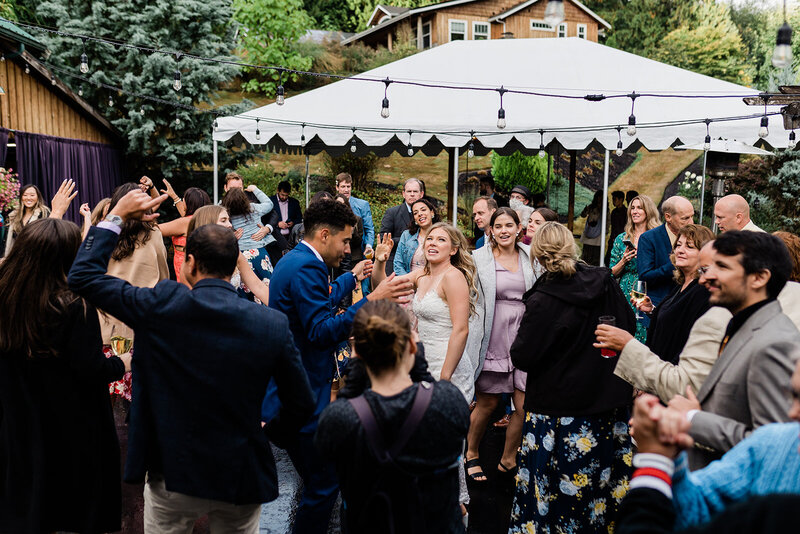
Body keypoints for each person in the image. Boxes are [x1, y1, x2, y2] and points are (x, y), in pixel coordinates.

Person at [68, 189, 316, 532]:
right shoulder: (268, 323)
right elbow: (301, 402)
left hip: (172, 471)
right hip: (240, 470)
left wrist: (115, 217)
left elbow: (82, 277)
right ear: (234, 266)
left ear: (189, 264)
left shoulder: (160, 306)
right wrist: (267, 432)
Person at [262, 198, 412, 534]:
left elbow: (317, 300)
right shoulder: (307, 267)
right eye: (345, 241)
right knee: (326, 483)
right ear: (325, 235)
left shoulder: (296, 260)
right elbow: (319, 330)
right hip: (301, 396)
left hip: (289, 392)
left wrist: (351, 279)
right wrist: (374, 297)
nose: (348, 250)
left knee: (322, 478)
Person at [0, 218, 130, 534]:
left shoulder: (6, 296)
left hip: (17, 415)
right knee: (73, 510)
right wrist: (123, 362)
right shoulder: (72, 305)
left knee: (28, 502)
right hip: (70, 423)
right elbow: (90, 369)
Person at [508, 221, 636, 534]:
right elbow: (628, 326)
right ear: (571, 246)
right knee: (599, 488)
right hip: (605, 404)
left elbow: (522, 356)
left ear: (536, 256)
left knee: (555, 491)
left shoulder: (543, 300)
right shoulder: (604, 282)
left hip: (558, 413)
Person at [314, 301, 470, 534]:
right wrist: (421, 367)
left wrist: (355, 369)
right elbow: (434, 393)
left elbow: (327, 451)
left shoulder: (340, 418)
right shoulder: (449, 402)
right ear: (411, 346)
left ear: (358, 354)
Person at [667, 231, 800, 470]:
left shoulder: (774, 344)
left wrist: (693, 419)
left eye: (722, 267)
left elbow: (773, 449)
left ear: (759, 278)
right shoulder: (744, 326)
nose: (704, 278)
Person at [615, 385, 800, 534]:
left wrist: (654, 462)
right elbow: (701, 502)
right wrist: (672, 461)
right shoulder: (772, 443)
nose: (792, 413)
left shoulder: (778, 509)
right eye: (795, 395)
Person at [399, 222, 479, 511]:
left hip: (450, 366)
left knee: (445, 438)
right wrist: (381, 260)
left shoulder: (453, 277)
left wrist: (445, 377)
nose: (432, 243)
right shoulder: (422, 276)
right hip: (423, 364)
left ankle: (456, 506)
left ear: (453, 249)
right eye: (429, 238)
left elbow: (461, 330)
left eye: (441, 240)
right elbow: (388, 284)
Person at [466, 208, 536, 482]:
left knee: (523, 404)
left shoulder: (531, 256)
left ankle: (508, 458)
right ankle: (471, 452)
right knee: (488, 401)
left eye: (510, 225)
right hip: (492, 334)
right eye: (499, 226)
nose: (504, 230)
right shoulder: (478, 258)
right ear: (491, 230)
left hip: (524, 335)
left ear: (520, 228)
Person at [636, 225, 715, 364]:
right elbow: (674, 322)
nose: (680, 250)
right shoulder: (681, 285)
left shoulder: (702, 291)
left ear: (705, 254)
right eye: (678, 245)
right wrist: (652, 310)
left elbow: (688, 341)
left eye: (689, 246)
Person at [187, 205, 270, 304]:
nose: (230, 224)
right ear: (209, 223)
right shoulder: (193, 257)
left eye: (229, 220)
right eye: (223, 220)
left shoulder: (235, 253)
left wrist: (281, 312)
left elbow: (258, 286)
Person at [610, 194, 661, 341]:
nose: (635, 211)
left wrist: (645, 259)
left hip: (649, 292)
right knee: (625, 332)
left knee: (646, 333)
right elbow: (611, 273)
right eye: (632, 208)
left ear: (648, 211)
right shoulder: (622, 239)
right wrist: (624, 260)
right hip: (625, 293)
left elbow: (666, 266)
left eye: (639, 208)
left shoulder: (656, 237)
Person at [637, 196, 695, 307]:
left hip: (688, 303)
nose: (691, 222)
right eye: (685, 218)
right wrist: (675, 264)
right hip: (657, 306)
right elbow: (645, 276)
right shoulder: (649, 238)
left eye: (692, 216)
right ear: (668, 217)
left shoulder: (695, 236)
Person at [222, 185, 276, 285]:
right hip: (259, 252)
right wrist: (255, 189)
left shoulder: (225, 214)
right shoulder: (253, 208)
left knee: (244, 288)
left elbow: (215, 210)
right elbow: (269, 204)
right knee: (265, 286)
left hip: (239, 255)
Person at [157, 186, 211, 282]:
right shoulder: (206, 220)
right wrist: (174, 196)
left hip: (185, 269)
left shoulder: (185, 222)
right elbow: (186, 213)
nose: (182, 201)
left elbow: (154, 230)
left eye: (184, 199)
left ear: (188, 203)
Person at [380, 178, 423, 274]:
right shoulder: (392, 213)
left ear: (421, 194)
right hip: (394, 264)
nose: (412, 194)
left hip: (420, 265)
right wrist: (406, 240)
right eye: (409, 191)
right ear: (403, 194)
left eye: (415, 191)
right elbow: (384, 238)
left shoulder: (426, 214)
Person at [393, 198, 440, 276]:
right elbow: (398, 264)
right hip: (409, 283)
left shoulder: (443, 235)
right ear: (414, 219)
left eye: (423, 210)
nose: (420, 214)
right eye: (415, 213)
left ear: (432, 213)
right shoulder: (406, 235)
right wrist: (409, 282)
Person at [4, 184, 50, 255]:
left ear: (38, 197)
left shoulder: (44, 214)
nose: (28, 198)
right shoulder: (13, 216)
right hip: (16, 258)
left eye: (32, 195)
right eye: (25, 195)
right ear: (21, 197)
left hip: (35, 257)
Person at [336, 173, 374, 255]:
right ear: (337, 187)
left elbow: (369, 229)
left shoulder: (362, 205)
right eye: (343, 186)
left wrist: (368, 246)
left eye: (348, 186)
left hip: (358, 252)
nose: (346, 190)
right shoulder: (332, 203)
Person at [270, 180, 303, 253]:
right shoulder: (270, 201)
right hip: (275, 238)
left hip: (290, 238)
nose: (284, 197)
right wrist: (277, 224)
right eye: (282, 195)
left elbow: (299, 218)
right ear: (277, 191)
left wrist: (293, 223)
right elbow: (265, 219)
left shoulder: (294, 202)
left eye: (286, 195)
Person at [579, 190, 604, 266]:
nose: (599, 199)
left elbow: (607, 220)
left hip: (598, 235)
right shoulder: (591, 206)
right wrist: (585, 210)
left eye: (601, 197)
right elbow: (583, 215)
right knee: (586, 255)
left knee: (595, 256)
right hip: (589, 232)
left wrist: (605, 231)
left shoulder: (605, 209)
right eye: (598, 197)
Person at [605, 190, 628, 265]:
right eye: (612, 199)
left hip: (623, 240)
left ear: (621, 199)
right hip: (613, 239)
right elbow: (613, 227)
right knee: (608, 260)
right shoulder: (614, 212)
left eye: (615, 199)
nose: (613, 201)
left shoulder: (626, 212)